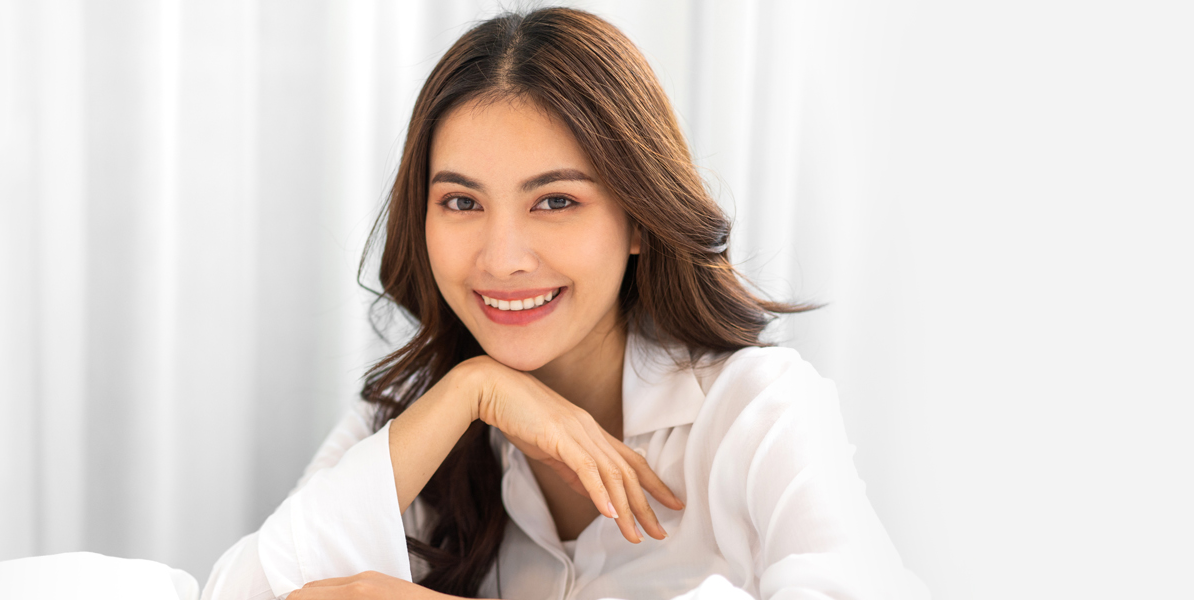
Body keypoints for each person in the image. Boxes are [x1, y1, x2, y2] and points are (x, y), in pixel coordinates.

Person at [203, 7, 925, 600]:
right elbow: (238, 594)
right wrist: (473, 390)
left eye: (555, 201)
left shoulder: (753, 412)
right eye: (460, 201)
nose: (503, 257)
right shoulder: (414, 424)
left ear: (639, 218)